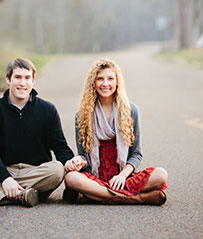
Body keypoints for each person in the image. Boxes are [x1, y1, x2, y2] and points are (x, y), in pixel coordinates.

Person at [0, 58, 75, 206]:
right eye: (17, 77)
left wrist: (71, 163)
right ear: (8, 79)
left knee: (57, 170)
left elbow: (60, 147)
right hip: (2, 169)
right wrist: (5, 178)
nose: (22, 83)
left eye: (27, 78)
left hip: (35, 172)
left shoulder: (48, 110)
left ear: (33, 81)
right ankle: (22, 195)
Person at [62, 58, 168, 205]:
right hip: (95, 177)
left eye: (110, 78)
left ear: (117, 82)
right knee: (71, 178)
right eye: (100, 79)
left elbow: (136, 154)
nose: (105, 84)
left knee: (161, 175)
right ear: (93, 83)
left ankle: (96, 196)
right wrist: (78, 161)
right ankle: (136, 198)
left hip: (123, 176)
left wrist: (122, 176)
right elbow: (83, 155)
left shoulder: (131, 111)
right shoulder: (82, 115)